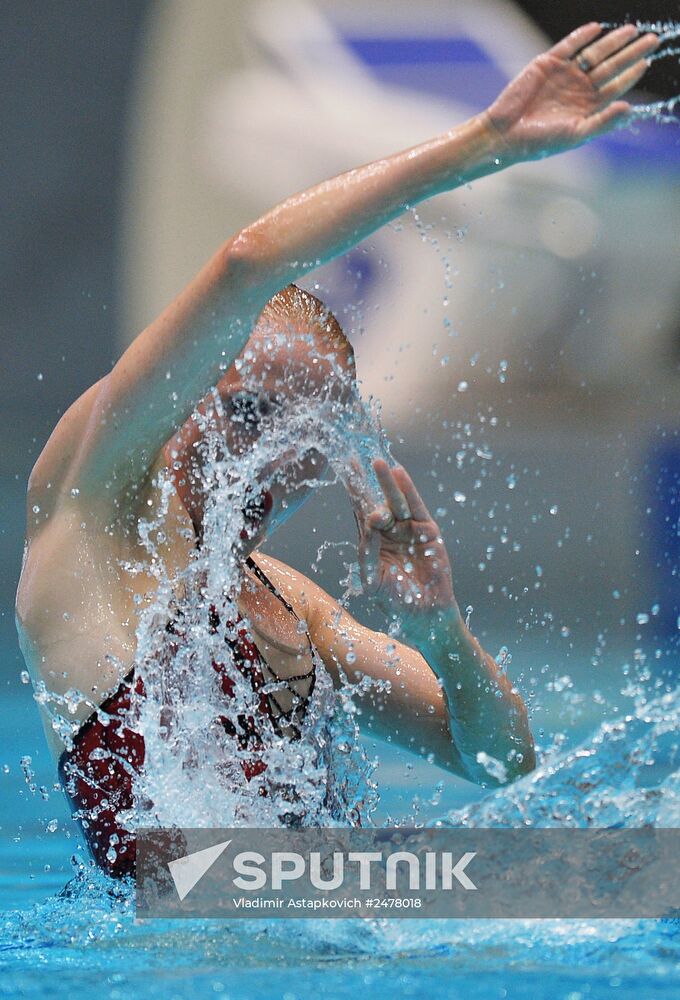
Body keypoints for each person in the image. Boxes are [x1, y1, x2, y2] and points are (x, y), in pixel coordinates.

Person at [16, 23, 659, 876]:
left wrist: (441, 627)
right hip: (161, 962)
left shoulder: (294, 609)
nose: (270, 459)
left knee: (625, 871)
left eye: (302, 439)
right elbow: (248, 261)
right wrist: (485, 143)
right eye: (248, 414)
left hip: (323, 940)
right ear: (177, 401)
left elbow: (500, 761)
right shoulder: (93, 511)